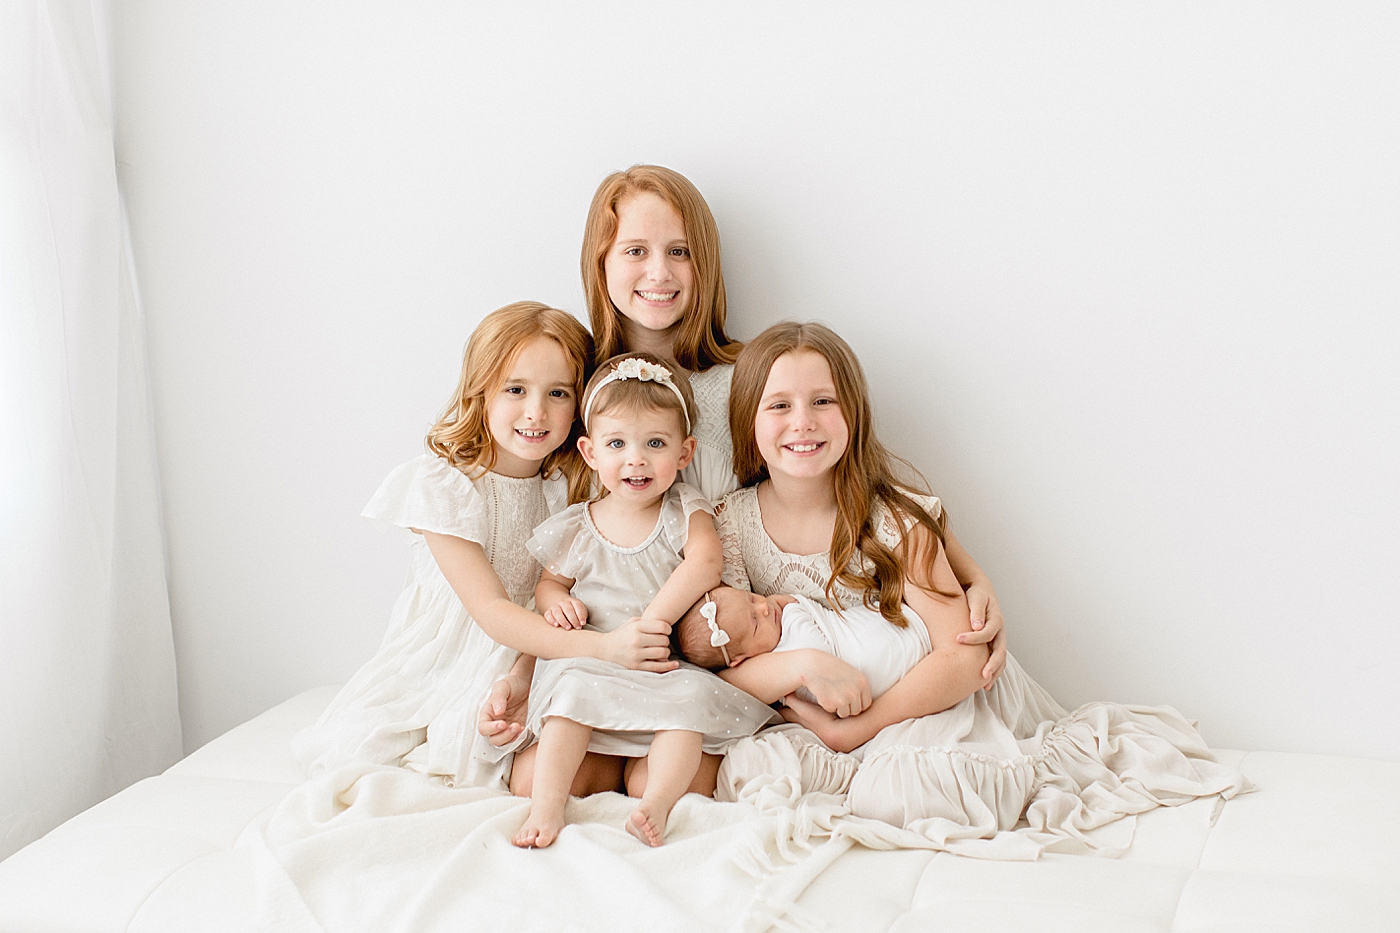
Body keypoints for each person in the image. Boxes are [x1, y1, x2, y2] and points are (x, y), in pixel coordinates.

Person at [481, 165, 1008, 766]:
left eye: (679, 251)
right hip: (623, 643)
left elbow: (857, 485)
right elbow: (547, 536)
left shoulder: (746, 382)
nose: (658, 272)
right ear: (599, 262)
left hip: (720, 647)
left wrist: (973, 578)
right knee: (552, 774)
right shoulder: (575, 391)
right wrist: (525, 668)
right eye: (635, 251)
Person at [712, 320, 1248, 850]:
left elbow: (964, 659)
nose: (802, 422)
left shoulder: (891, 520)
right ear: (748, 421)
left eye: (823, 401)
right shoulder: (732, 526)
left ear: (853, 413)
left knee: (904, 793)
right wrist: (802, 666)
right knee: (749, 772)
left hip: (928, 697)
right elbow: (722, 664)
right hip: (824, 711)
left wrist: (858, 729)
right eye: (779, 405)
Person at [293, 302, 675, 794]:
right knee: (490, 750)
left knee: (577, 741)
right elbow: (492, 611)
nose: (536, 412)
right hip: (459, 651)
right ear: (482, 391)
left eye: (558, 393)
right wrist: (602, 647)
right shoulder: (446, 484)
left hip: (541, 650)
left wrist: (535, 664)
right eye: (515, 390)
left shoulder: (568, 487)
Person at [511, 353, 776, 848]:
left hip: (660, 663)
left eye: (655, 443)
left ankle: (656, 804)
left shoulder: (683, 508)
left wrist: (652, 624)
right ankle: (547, 809)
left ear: (684, 452)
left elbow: (704, 564)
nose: (635, 459)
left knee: (688, 711)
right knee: (566, 696)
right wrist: (553, 603)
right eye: (617, 444)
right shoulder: (579, 524)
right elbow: (548, 584)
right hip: (598, 659)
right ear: (590, 453)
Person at [675, 586, 925, 713]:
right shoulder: (774, 675)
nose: (763, 608)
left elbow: (792, 602)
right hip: (907, 670)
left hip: (908, 624)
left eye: (751, 598)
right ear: (739, 659)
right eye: (754, 623)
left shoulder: (790, 618)